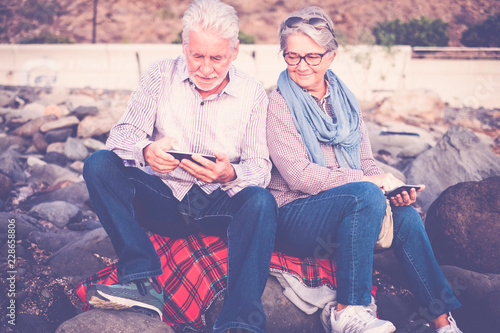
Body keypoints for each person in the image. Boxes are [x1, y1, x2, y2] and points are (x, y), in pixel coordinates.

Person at [82, 1, 277, 332]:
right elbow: (121, 136)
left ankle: (239, 319)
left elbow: (261, 166)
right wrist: (146, 150)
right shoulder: (160, 74)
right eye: (196, 56)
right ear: (184, 46)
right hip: (163, 198)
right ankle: (143, 282)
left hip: (217, 203)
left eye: (216, 58)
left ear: (235, 50)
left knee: (261, 200)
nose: (205, 68)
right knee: (98, 164)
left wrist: (230, 173)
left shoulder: (253, 93)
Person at [266, 6, 463, 333]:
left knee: (407, 217)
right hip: (294, 213)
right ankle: (349, 309)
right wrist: (370, 183)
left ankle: (442, 321)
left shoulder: (345, 101)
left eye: (312, 56)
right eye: (292, 56)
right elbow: (299, 175)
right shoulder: (279, 103)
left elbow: (365, 163)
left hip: (350, 208)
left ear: (330, 56)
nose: (302, 66)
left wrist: (392, 188)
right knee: (366, 193)